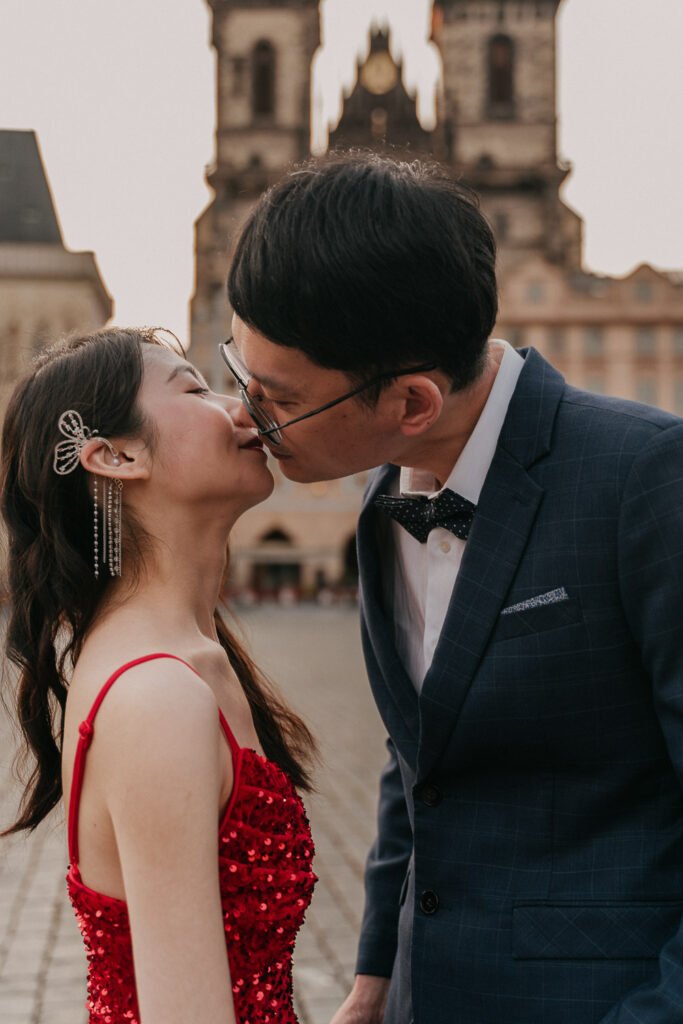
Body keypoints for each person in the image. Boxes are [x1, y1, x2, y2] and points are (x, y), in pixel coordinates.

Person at [220, 152, 683, 1024]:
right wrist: (374, 977)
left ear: (412, 403)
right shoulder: (379, 492)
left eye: (277, 398)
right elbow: (418, 760)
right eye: (240, 374)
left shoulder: (648, 479)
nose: (246, 415)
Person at [1, 327, 317, 1024]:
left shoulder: (180, 657)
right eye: (196, 388)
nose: (242, 405)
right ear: (115, 456)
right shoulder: (160, 693)